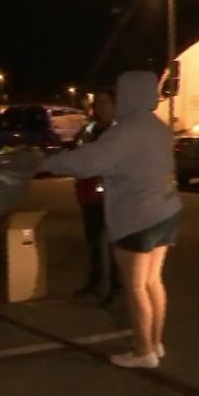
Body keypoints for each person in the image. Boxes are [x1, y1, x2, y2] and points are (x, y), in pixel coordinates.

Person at [43, 70, 182, 369]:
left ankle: (143, 351)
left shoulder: (125, 132)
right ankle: (155, 343)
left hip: (138, 216)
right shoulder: (158, 128)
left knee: (134, 287)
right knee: (153, 281)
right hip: (166, 211)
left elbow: (87, 161)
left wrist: (47, 163)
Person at [72, 88, 123, 305]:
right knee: (93, 242)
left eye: (105, 103)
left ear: (114, 106)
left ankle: (117, 288)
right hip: (89, 196)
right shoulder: (88, 130)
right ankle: (94, 284)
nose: (100, 108)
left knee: (114, 247)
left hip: (114, 198)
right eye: (98, 104)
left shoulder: (121, 132)